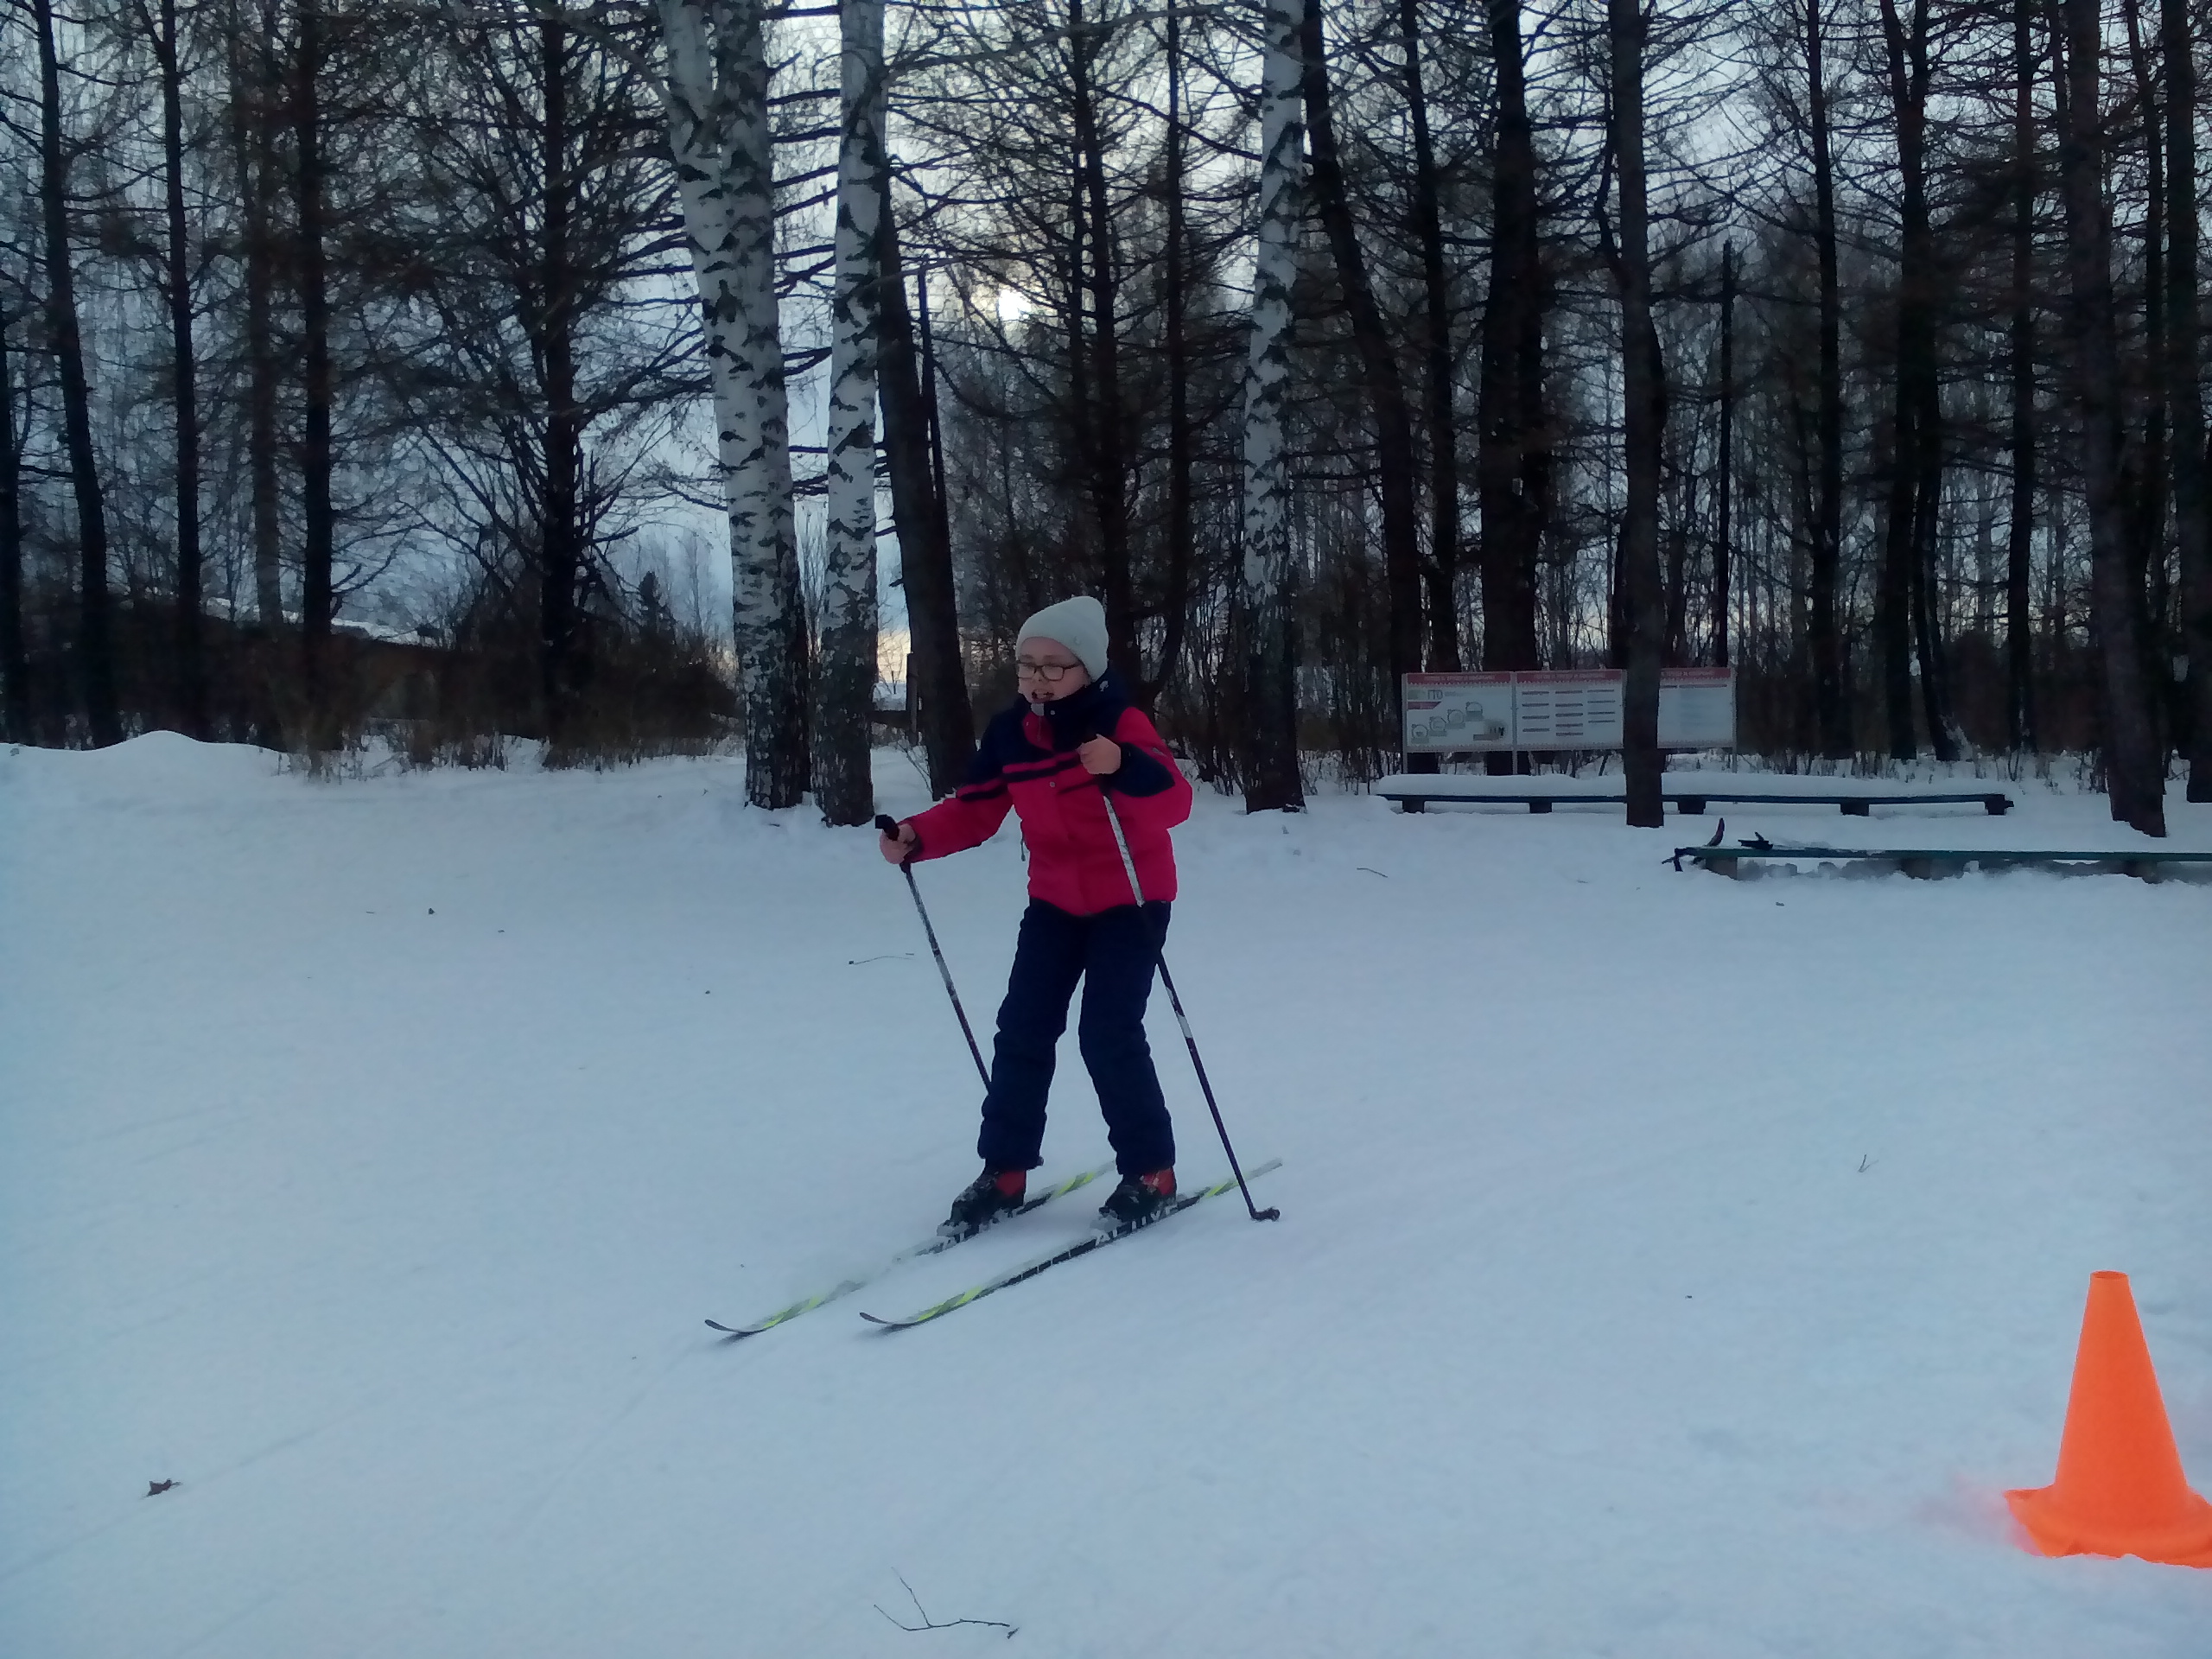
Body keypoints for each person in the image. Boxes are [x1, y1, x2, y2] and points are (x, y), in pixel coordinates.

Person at [880, 595, 1194, 1233]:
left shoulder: (1119, 722)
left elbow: (1174, 803)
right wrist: (917, 835)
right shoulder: (1010, 733)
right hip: (1054, 902)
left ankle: (1151, 1171)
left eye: (1054, 666)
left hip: (1132, 900)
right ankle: (1005, 1170)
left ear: (1088, 668)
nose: (1037, 679)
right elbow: (974, 809)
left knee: (1107, 1033)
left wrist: (1122, 764)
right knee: (1022, 1028)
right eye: (1027, 665)